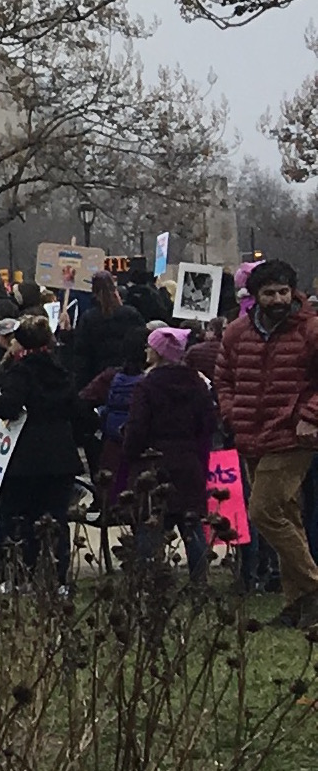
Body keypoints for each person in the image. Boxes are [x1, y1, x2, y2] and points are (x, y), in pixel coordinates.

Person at [215, 258, 318, 622]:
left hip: (294, 435)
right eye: (269, 292)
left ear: (293, 292)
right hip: (251, 433)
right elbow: (223, 377)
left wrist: (309, 415)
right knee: (287, 514)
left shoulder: (310, 330)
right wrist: (231, 412)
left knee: (262, 510)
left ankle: (312, 582)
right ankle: (300, 604)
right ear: (255, 296)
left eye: (283, 291)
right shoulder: (237, 333)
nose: (277, 299)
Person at [0, 318, 96, 593]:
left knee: (19, 517)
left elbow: (7, 407)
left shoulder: (21, 372)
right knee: (57, 519)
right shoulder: (61, 372)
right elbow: (79, 412)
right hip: (60, 455)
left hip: (25, 458)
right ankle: (58, 578)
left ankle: (19, 576)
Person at [118, 325, 220, 583]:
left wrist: (129, 453)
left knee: (150, 524)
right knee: (191, 522)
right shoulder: (196, 383)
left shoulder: (147, 386)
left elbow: (137, 426)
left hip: (154, 461)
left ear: (158, 352)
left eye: (149, 346)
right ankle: (199, 580)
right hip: (188, 459)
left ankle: (148, 579)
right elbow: (208, 423)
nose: (145, 350)